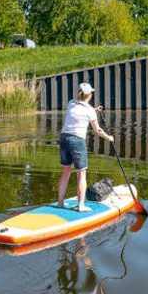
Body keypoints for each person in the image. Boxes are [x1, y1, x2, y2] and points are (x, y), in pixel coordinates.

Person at [57, 82, 114, 212]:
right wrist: (109, 138)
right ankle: (81, 205)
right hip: (77, 140)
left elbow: (80, 109)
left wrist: (94, 110)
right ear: (90, 95)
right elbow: (97, 130)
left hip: (64, 138)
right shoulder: (88, 110)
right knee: (81, 174)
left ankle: (60, 203)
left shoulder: (71, 103)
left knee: (66, 172)